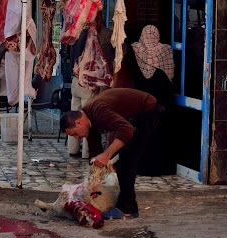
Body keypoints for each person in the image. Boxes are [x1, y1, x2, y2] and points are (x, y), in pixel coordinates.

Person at [60, 87, 163, 219]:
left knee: (127, 160)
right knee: (121, 159)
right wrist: (95, 182)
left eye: (74, 133)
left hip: (150, 110)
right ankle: (127, 205)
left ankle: (128, 209)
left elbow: (127, 129)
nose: (75, 138)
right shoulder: (88, 121)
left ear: (78, 122)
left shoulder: (98, 111)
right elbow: (95, 152)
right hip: (135, 117)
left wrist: (107, 155)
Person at [114, 25, 175, 175]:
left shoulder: (135, 49)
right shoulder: (165, 50)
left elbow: (125, 67)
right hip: (161, 98)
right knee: (158, 134)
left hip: (141, 99)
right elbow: (171, 75)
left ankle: (141, 167)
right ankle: (159, 168)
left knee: (142, 133)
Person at [67, 12, 114, 159]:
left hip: (76, 81)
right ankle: (88, 152)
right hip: (91, 83)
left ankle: (73, 150)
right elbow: (121, 52)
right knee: (87, 118)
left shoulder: (77, 33)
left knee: (74, 116)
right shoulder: (105, 34)